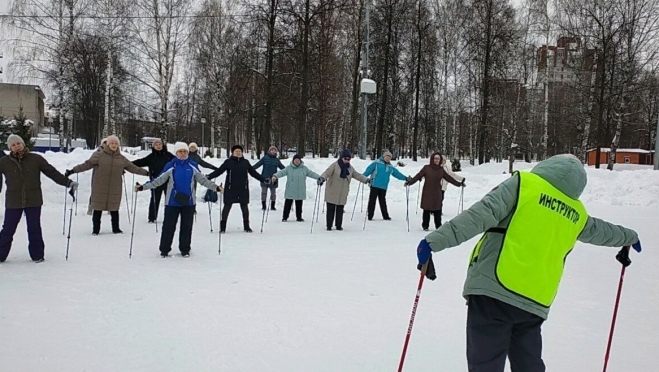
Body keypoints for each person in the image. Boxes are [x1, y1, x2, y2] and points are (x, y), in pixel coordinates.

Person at [415, 154, 642, 371]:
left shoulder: (525, 185)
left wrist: (434, 242)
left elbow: (481, 214)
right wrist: (629, 236)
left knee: (486, 364)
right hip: (535, 300)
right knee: (528, 364)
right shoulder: (576, 213)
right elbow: (602, 231)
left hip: (494, 289)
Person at [136, 142, 224, 257]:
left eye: (185, 151)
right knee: (168, 226)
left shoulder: (193, 166)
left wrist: (215, 187)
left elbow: (203, 180)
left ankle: (185, 249)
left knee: (186, 227)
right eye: (180, 151)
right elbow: (158, 180)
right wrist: (143, 187)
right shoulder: (171, 165)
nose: (183, 153)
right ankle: (164, 249)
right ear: (176, 153)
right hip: (172, 202)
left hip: (189, 202)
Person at [0, 135, 78, 263]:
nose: (16, 146)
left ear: (23, 144)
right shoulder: (4, 162)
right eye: (13, 145)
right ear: (10, 148)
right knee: (8, 228)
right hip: (13, 200)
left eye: (18, 143)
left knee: (34, 227)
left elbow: (52, 172)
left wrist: (68, 182)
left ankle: (37, 255)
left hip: (33, 199)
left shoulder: (35, 159)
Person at [66, 135, 148, 235]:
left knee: (114, 209)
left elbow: (133, 168)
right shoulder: (99, 155)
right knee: (97, 208)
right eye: (112, 143)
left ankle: (116, 229)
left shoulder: (121, 158)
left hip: (115, 187)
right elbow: (86, 165)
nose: (114, 145)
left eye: (116, 143)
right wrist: (72, 171)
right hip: (100, 186)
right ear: (107, 144)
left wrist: (147, 173)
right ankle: (95, 230)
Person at [207, 145, 268, 233]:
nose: (238, 152)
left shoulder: (245, 162)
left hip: (243, 189)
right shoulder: (228, 162)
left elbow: (253, 173)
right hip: (230, 188)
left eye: (240, 151)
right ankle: (223, 227)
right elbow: (219, 171)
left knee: (244, 207)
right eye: (236, 151)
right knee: (227, 207)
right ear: (233, 152)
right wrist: (209, 176)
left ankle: (246, 226)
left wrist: (263, 179)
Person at [406, 152, 463, 230]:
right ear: (432, 159)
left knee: (437, 209)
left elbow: (449, 178)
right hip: (427, 191)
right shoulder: (426, 168)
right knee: (426, 209)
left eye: (438, 159)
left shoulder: (441, 170)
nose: (437, 160)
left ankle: (438, 226)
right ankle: (425, 226)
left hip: (437, 192)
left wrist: (459, 184)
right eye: (435, 159)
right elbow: (418, 176)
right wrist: (410, 182)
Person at [319, 149, 369, 231]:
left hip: (343, 192)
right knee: (330, 209)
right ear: (341, 158)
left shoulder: (350, 168)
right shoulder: (334, 165)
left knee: (340, 210)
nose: (347, 160)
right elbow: (326, 173)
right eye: (345, 158)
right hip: (332, 191)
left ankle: (338, 225)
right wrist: (321, 178)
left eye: (349, 159)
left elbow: (357, 175)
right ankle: (329, 225)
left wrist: (367, 180)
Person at [132, 138, 175, 223]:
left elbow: (177, 162)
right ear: (153, 146)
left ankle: (170, 217)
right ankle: (152, 217)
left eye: (159, 144)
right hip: (155, 181)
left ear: (162, 145)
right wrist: (128, 164)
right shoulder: (151, 157)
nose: (158, 146)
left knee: (169, 200)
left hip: (168, 181)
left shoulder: (168, 155)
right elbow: (140, 162)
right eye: (156, 145)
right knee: (155, 199)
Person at [362, 150, 410, 221]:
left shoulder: (390, 166)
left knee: (383, 201)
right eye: (387, 157)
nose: (388, 158)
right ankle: (370, 215)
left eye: (389, 157)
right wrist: (362, 177)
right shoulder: (376, 163)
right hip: (374, 184)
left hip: (383, 186)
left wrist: (405, 178)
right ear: (383, 156)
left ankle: (385, 216)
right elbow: (368, 170)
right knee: (372, 200)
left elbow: (397, 174)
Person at [271, 154, 320, 222]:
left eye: (298, 160)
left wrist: (319, 177)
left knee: (299, 204)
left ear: (300, 161)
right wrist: (275, 176)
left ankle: (299, 217)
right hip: (290, 189)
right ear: (293, 160)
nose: (297, 161)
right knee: (288, 204)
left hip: (300, 189)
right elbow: (282, 172)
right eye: (295, 160)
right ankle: (285, 217)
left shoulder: (304, 168)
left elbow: (311, 174)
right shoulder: (289, 168)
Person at [253, 146, 285, 211]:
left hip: (274, 179)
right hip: (264, 178)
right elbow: (258, 164)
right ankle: (263, 205)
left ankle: (273, 206)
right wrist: (250, 169)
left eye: (274, 150)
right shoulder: (265, 158)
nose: (273, 151)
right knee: (264, 192)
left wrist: (289, 171)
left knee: (273, 193)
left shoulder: (277, 160)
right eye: (272, 150)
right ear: (269, 151)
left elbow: (282, 168)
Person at [87, 137, 108, 215]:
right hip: (98, 176)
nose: (106, 144)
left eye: (107, 143)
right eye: (104, 143)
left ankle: (110, 209)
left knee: (108, 192)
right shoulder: (97, 153)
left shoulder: (112, 153)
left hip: (108, 176)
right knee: (95, 192)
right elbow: (90, 163)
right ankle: (90, 207)